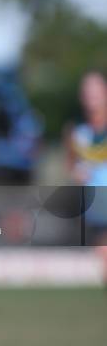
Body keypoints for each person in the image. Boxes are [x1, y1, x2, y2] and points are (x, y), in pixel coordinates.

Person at [65, 71, 107, 283]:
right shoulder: (77, 132)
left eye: (96, 92)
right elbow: (71, 165)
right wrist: (78, 173)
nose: (91, 97)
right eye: (87, 93)